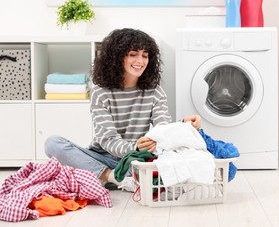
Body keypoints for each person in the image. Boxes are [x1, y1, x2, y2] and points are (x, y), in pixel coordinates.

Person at [45, 28, 201, 191]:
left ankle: (100, 177)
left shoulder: (155, 92)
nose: (140, 61)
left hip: (135, 159)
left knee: (170, 161)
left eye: (145, 55)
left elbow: (163, 129)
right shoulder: (100, 93)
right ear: (117, 57)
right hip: (103, 157)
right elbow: (107, 139)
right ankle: (111, 177)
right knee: (52, 143)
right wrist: (134, 147)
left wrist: (184, 124)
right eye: (133, 54)